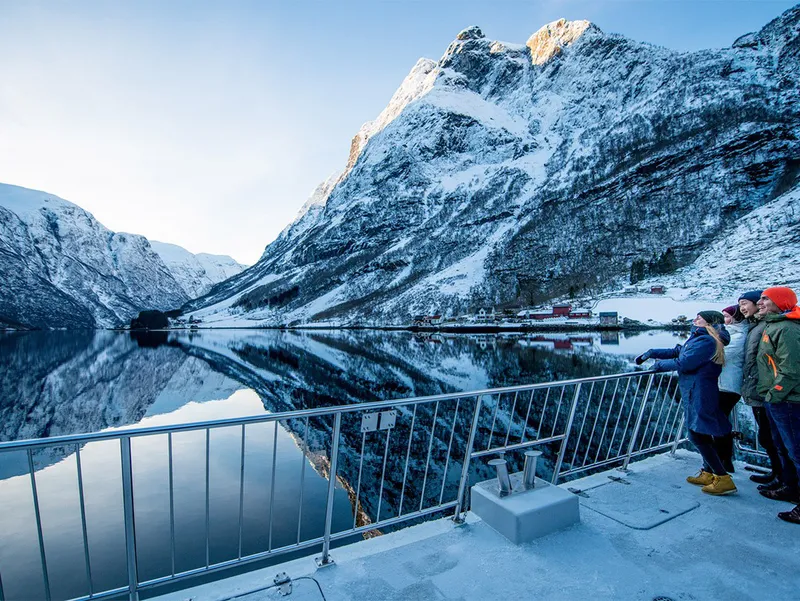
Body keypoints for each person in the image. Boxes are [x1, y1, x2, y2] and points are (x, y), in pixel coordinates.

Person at [636, 311, 734, 495]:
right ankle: (709, 472)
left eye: (699, 318)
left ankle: (722, 478)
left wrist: (657, 366)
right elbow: (678, 352)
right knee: (699, 431)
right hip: (695, 390)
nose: (694, 320)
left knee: (697, 433)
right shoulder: (700, 338)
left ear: (709, 323)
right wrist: (652, 353)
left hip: (700, 391)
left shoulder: (706, 341)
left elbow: (684, 363)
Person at [756, 286, 800, 524]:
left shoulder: (787, 328)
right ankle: (791, 488)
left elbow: (792, 368)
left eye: (765, 299)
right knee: (785, 448)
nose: (760, 302)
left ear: (780, 303)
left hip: (789, 400)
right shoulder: (774, 325)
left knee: (797, 451)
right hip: (779, 400)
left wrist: (775, 394)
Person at [737, 290, 785, 487]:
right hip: (758, 390)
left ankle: (784, 479)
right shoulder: (756, 326)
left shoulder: (767, 327)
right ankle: (777, 474)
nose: (742, 307)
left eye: (746, 303)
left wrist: (773, 389)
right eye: (740, 304)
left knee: (773, 438)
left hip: (766, 391)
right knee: (768, 437)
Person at [715, 305, 747, 472]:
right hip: (722, 384)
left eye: (727, 316)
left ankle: (724, 460)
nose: (724, 320)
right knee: (719, 421)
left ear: (736, 317)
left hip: (728, 386)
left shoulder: (740, 335)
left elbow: (721, 355)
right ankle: (722, 459)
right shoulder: (729, 333)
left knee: (719, 422)